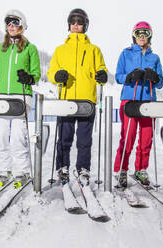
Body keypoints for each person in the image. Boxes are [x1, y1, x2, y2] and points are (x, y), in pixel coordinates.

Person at [47, 8, 108, 187]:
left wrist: (102, 75)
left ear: (85, 25)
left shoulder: (94, 50)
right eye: (73, 21)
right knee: (64, 138)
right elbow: (51, 72)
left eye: (79, 21)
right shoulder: (60, 50)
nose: (75, 24)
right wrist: (56, 76)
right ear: (69, 24)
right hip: (65, 100)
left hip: (86, 101)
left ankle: (83, 169)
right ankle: (62, 167)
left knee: (84, 140)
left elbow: (101, 69)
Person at [0, 9, 41, 188]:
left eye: (15, 22)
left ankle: (21, 172)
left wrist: (29, 78)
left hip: (21, 96)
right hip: (0, 96)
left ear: (22, 25)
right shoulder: (0, 48)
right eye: (8, 23)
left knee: (17, 136)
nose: (11, 26)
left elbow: (36, 74)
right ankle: (4, 170)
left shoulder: (31, 48)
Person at [113, 21, 163, 187]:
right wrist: (129, 77)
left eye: (146, 33)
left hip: (148, 101)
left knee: (146, 139)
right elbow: (118, 76)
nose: (142, 37)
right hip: (130, 100)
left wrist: (155, 78)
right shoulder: (125, 54)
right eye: (138, 33)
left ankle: (141, 169)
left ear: (150, 36)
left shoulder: (154, 57)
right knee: (128, 138)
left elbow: (161, 82)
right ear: (134, 36)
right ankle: (121, 169)